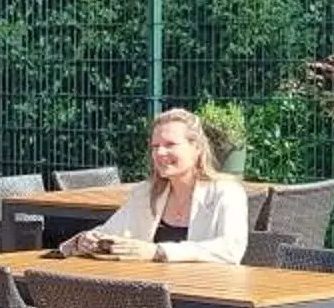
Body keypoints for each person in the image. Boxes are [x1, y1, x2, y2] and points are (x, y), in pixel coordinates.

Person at [58, 107, 249, 265]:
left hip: (208, 299)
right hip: (149, 298)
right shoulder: (146, 193)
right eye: (155, 147)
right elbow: (111, 232)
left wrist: (159, 251)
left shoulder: (226, 193)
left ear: (197, 148)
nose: (160, 153)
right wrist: (86, 241)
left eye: (170, 144)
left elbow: (230, 249)